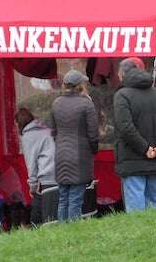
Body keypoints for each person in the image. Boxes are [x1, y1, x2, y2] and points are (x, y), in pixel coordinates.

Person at [113, 57, 156, 212]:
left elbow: (125, 127)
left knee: (136, 209)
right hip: (154, 159)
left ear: (122, 74)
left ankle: (140, 236)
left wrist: (146, 149)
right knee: (154, 201)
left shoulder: (122, 95)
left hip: (132, 160)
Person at [47, 69, 99, 222]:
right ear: (80, 85)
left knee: (63, 197)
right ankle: (73, 233)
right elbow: (93, 134)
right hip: (80, 156)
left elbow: (53, 131)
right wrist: (93, 150)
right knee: (76, 199)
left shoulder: (56, 103)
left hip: (61, 154)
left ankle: (62, 233)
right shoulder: (86, 104)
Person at [16, 108, 56, 225]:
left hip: (47, 177)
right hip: (63, 173)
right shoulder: (46, 129)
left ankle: (35, 231)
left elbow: (31, 164)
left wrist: (32, 186)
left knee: (37, 215)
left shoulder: (28, 136)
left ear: (19, 124)